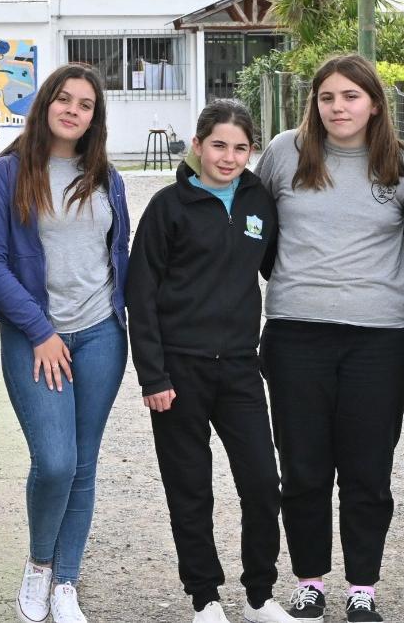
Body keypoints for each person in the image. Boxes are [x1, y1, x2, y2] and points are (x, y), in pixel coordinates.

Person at [252, 54, 404, 623]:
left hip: (378, 338)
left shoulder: (401, 164)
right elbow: (247, 222)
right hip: (296, 333)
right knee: (303, 466)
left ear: (374, 102)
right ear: (314, 103)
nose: (338, 107)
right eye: (328, 97)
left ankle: (363, 586)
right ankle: (309, 581)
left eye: (351, 96)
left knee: (368, 468)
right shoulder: (284, 153)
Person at [0, 63, 130, 623]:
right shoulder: (7, 174)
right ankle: (40, 564)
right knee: (56, 460)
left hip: (101, 336)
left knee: (84, 462)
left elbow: (120, 256)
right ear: (45, 104)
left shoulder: (107, 177)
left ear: (95, 117)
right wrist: (40, 331)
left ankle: (67, 580)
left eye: (85, 104)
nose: (72, 110)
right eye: (63, 99)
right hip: (35, 336)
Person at [127, 99, 290, 623]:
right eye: (218, 145)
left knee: (264, 483)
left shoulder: (260, 202)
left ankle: (260, 595)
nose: (229, 157)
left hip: (241, 367)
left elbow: (271, 269)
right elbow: (141, 294)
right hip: (179, 370)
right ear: (197, 146)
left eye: (241, 148)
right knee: (190, 487)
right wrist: (153, 374)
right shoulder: (168, 207)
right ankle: (205, 598)